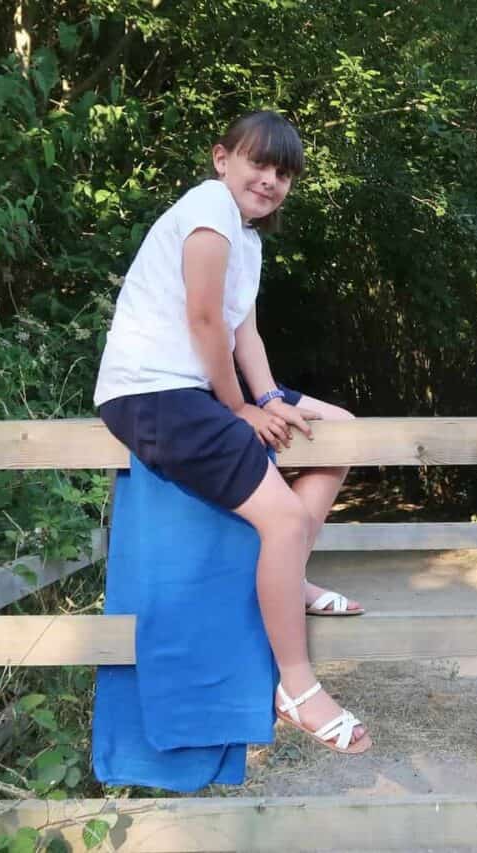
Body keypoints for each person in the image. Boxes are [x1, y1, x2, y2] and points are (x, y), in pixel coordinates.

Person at [93, 110, 369, 754]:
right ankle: (296, 688)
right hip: (154, 392)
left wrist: (269, 396)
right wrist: (241, 409)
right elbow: (202, 322)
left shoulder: (245, 237)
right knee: (283, 519)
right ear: (223, 160)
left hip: (195, 388)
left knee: (343, 431)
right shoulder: (209, 211)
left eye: (283, 173)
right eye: (259, 164)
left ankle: (289, 574)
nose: (270, 180)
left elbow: (243, 329)